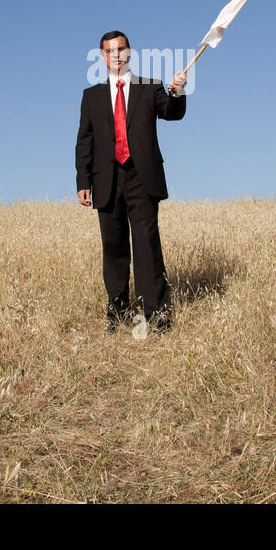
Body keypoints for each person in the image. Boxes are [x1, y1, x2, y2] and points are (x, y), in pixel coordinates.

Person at [76, 31, 187, 335]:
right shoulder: (91, 96)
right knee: (114, 248)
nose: (116, 55)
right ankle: (118, 313)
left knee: (147, 245)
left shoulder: (149, 88)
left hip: (142, 178)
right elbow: (84, 142)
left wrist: (176, 90)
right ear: (102, 56)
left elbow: (172, 113)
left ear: (129, 52)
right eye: (110, 51)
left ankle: (158, 315)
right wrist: (83, 180)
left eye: (121, 49)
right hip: (106, 181)